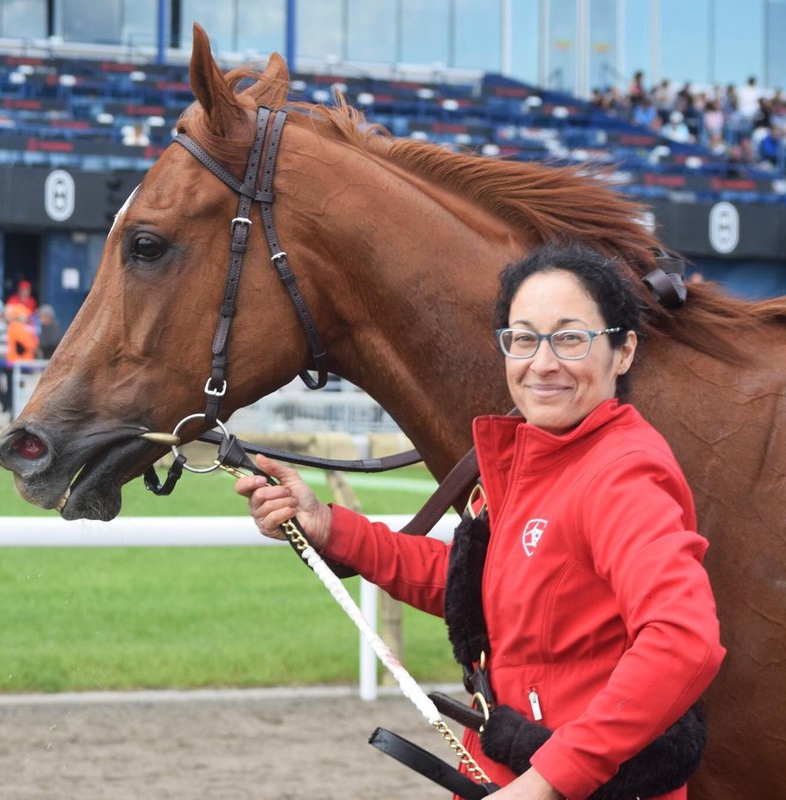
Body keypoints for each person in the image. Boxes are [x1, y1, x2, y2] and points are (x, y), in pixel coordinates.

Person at [236, 242, 725, 799]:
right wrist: (328, 526)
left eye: (570, 338)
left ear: (623, 351)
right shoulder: (541, 457)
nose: (542, 363)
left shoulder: (622, 472)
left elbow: (685, 639)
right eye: (523, 338)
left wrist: (548, 780)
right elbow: (490, 587)